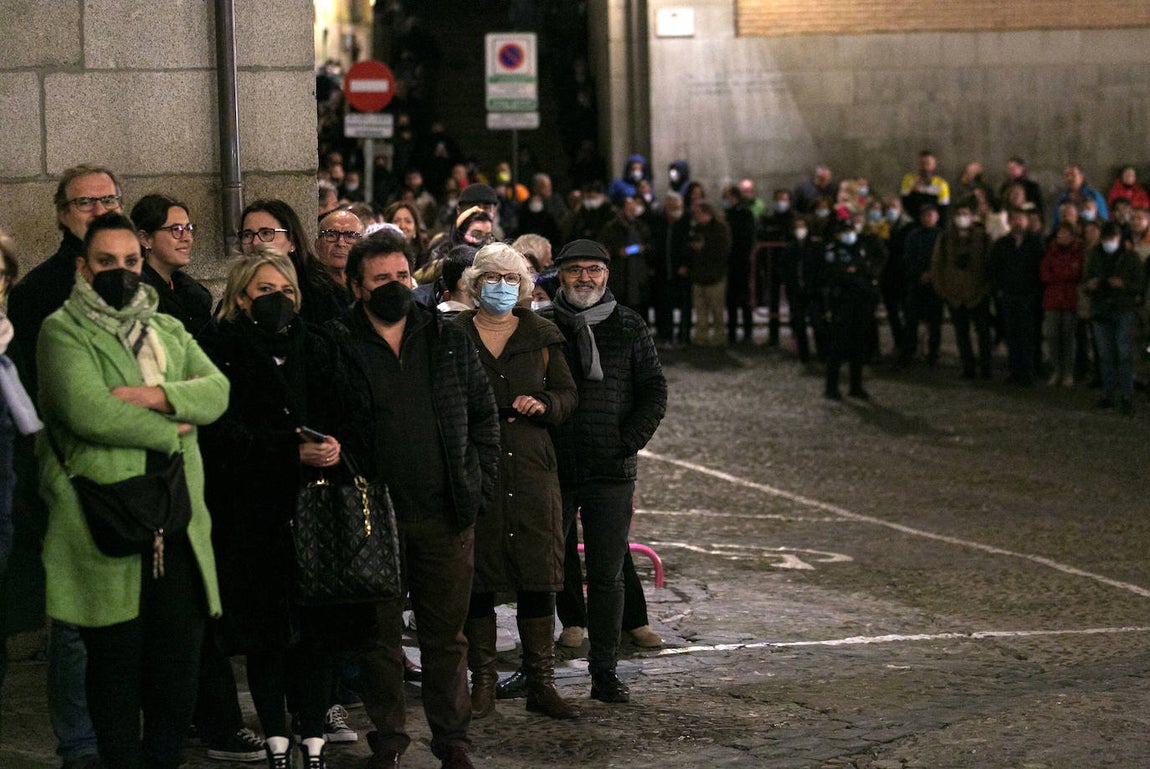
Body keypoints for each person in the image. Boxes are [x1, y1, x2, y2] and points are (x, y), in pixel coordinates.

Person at [37, 211, 229, 769]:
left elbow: (217, 391)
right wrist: (177, 418)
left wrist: (148, 397)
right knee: (115, 677)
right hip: (106, 521)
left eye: (129, 261)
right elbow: (86, 410)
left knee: (176, 678)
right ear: (82, 266)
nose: (119, 271)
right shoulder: (61, 330)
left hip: (177, 520)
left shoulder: (167, 329)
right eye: (105, 261)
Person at [327, 229, 499, 769]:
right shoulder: (336, 341)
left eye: (402, 275)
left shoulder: (448, 336)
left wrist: (476, 485)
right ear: (358, 287)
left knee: (446, 638)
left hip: (445, 514)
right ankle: (390, 739)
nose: (395, 285)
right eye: (381, 278)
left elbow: (483, 416)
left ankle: (453, 740)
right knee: (379, 640)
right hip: (372, 520)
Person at [198, 251, 347, 768]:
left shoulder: (317, 346)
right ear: (242, 297)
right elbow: (219, 433)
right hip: (253, 512)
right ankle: (276, 737)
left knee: (316, 629)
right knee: (266, 631)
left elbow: (342, 410)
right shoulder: (221, 351)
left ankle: (314, 733)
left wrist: (333, 446)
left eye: (285, 290)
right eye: (264, 291)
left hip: (316, 508)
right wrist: (287, 449)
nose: (278, 300)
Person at [4, 163, 124, 769]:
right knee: (74, 625)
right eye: (85, 203)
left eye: (108, 199)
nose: (99, 210)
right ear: (61, 213)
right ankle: (80, 742)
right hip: (68, 473)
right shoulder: (39, 292)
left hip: (136, 474)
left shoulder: (139, 282)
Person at [452, 243, 579, 720]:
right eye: (492, 277)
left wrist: (545, 405)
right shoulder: (453, 334)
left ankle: (541, 681)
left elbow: (568, 395)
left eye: (511, 279)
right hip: (477, 464)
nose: (501, 287)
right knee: (478, 574)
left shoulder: (543, 335)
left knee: (537, 573)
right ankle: (482, 680)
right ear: (475, 281)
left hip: (530, 463)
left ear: (524, 285)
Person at [549, 239, 667, 703]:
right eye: (575, 270)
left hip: (611, 472)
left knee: (606, 575)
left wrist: (626, 442)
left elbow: (653, 390)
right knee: (547, 569)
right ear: (559, 275)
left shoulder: (629, 325)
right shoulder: (541, 325)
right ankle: (539, 674)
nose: (585, 278)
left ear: (607, 275)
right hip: (554, 469)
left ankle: (604, 673)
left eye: (594, 270)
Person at [130, 194, 214, 338]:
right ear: (145, 239)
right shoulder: (137, 297)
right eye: (177, 230)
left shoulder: (193, 295)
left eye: (188, 228)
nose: (187, 238)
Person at [1081, 223, 1142, 413]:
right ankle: (1108, 394)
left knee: (1123, 354)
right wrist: (1090, 286)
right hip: (1101, 310)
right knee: (1106, 355)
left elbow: (1138, 285)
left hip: (1122, 310)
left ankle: (1126, 395)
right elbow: (1085, 281)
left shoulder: (1130, 257)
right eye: (1107, 239)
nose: (1110, 243)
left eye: (1113, 239)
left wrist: (1123, 285)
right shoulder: (1095, 256)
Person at [819, 220, 883, 400]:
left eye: (850, 230)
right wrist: (858, 274)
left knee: (858, 346)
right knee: (838, 346)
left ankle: (856, 386)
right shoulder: (833, 251)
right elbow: (840, 274)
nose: (848, 234)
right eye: (844, 231)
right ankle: (831, 387)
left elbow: (869, 269)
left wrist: (858, 273)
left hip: (861, 303)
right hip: (842, 303)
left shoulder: (861, 248)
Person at [931, 205, 993, 379]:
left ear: (972, 217)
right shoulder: (945, 238)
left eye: (965, 214)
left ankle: (986, 367)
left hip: (978, 293)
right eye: (958, 214)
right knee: (961, 333)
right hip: (954, 294)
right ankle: (968, 367)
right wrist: (943, 289)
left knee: (983, 333)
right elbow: (937, 264)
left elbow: (990, 264)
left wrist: (986, 288)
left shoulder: (983, 237)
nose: (962, 217)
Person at [989, 208, 1046, 385]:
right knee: (1011, 334)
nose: (1018, 222)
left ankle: (1029, 371)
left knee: (1028, 335)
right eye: (1014, 219)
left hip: (1029, 296)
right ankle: (1015, 370)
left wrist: (1037, 292)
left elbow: (1041, 269)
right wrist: (998, 289)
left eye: (1021, 219)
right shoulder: (1001, 244)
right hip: (1008, 295)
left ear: (1027, 221)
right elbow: (993, 268)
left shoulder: (1036, 243)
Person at [1040, 223, 1085, 386]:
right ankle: (1057, 369)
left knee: (1068, 337)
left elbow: (1077, 273)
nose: (1062, 238)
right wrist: (1064, 275)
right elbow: (1044, 273)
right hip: (1053, 300)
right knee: (1052, 336)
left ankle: (1068, 372)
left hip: (1070, 300)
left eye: (1065, 234)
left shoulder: (1079, 253)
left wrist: (1058, 274)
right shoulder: (1051, 252)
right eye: (1060, 235)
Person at [300, 207, 363, 324]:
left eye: (350, 236)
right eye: (331, 235)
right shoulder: (306, 288)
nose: (340, 243)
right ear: (317, 245)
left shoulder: (366, 285)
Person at [900, 205, 944, 366]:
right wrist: (919, 274)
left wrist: (932, 274)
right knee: (911, 319)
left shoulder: (942, 235)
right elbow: (908, 257)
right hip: (916, 282)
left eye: (931, 215)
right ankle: (909, 351)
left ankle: (933, 353)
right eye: (925, 215)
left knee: (935, 321)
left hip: (936, 284)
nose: (928, 218)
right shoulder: (913, 235)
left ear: (937, 217)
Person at [685, 201, 731, 347]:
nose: (695, 216)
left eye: (698, 213)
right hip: (699, 276)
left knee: (717, 310)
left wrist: (703, 248)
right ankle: (701, 336)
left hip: (715, 277)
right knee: (701, 311)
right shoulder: (696, 228)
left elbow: (723, 250)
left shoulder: (720, 228)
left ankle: (719, 337)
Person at [239, 199, 314, 284]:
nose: (255, 242)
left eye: (266, 233)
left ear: (292, 241)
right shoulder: (234, 293)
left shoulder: (318, 293)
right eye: (247, 235)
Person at [723, 185, 757, 345]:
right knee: (731, 300)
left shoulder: (744, 214)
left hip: (740, 261)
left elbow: (746, 237)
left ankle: (747, 331)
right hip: (731, 262)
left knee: (743, 299)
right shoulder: (728, 214)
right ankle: (732, 332)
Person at [900, 150, 951, 222]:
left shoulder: (941, 184)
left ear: (934, 165)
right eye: (922, 164)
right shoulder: (909, 180)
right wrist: (914, 191)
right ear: (918, 165)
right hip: (912, 222)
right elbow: (905, 205)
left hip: (932, 223)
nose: (925, 167)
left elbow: (943, 210)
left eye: (928, 164)